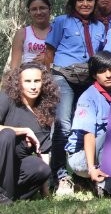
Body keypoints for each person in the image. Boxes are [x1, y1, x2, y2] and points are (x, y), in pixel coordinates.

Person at [45, 0, 106, 195]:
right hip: (63, 76)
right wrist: (47, 78)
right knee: (63, 124)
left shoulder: (100, 26)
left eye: (89, 0)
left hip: (88, 79)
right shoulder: (62, 21)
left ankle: (85, 173)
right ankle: (60, 176)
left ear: (95, 3)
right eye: (81, 0)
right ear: (73, 2)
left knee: (87, 126)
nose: (85, 4)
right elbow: (49, 51)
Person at [65, 51, 111, 197]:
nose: (108, 75)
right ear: (94, 75)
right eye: (102, 71)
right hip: (82, 157)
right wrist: (91, 168)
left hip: (109, 153)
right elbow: (89, 135)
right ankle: (104, 186)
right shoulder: (88, 97)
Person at [0, 62, 59, 204]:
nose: (33, 86)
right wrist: (22, 130)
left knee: (41, 168)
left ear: (44, 82)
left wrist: (46, 195)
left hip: (15, 168)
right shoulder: (7, 99)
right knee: (7, 134)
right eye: (27, 81)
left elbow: (43, 152)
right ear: (18, 83)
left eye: (37, 81)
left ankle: (7, 197)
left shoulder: (46, 110)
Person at [10, 0, 53, 69]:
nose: (38, 12)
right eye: (34, 9)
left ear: (50, 9)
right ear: (29, 12)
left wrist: (50, 57)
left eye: (42, 8)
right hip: (29, 78)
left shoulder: (58, 31)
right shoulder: (22, 33)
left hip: (54, 78)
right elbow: (14, 66)